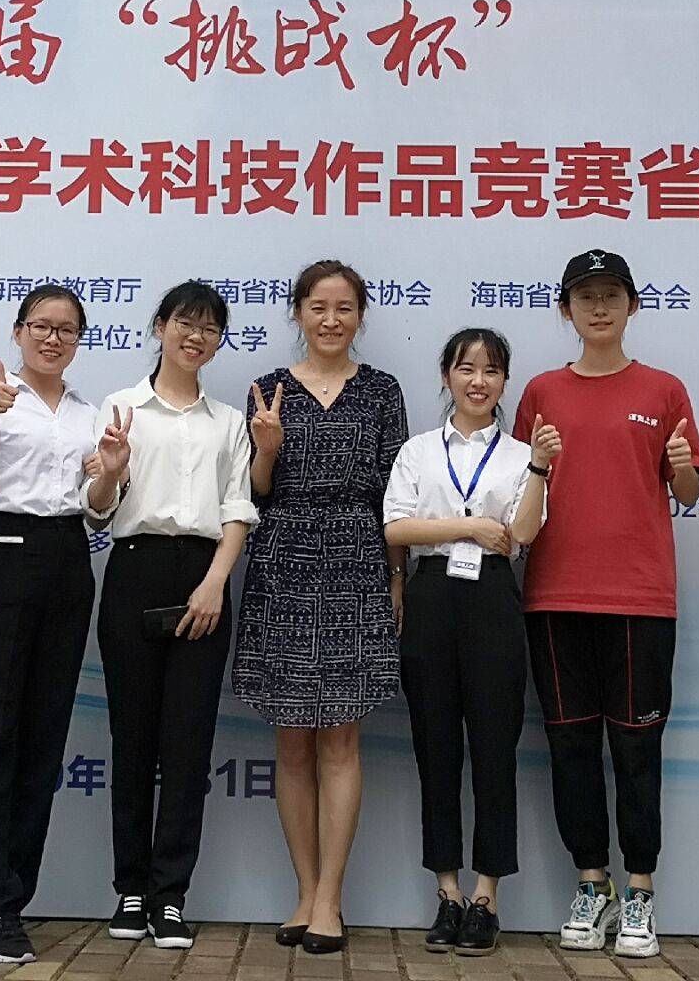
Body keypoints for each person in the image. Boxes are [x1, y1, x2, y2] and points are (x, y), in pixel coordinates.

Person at [512, 249, 699, 960]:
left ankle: (641, 890)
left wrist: (681, 470)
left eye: (612, 296)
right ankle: (592, 884)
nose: (600, 308)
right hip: (554, 594)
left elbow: (688, 493)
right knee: (569, 747)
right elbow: (519, 491)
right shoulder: (541, 391)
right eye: (586, 297)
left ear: (633, 306)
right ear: (566, 309)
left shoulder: (664, 390)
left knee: (636, 749)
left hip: (640, 598)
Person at [233, 259, 408, 955]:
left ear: (360, 316)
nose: (331, 320)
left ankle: (332, 896)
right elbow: (254, 492)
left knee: (340, 738)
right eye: (317, 307)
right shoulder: (269, 388)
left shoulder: (382, 391)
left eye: (344, 308)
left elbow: (395, 496)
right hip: (283, 559)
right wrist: (266, 450)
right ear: (298, 312)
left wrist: (396, 577)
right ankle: (303, 892)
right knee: (291, 741)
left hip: (358, 559)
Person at [0, 285, 130, 965]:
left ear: (79, 339)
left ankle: (16, 893)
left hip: (68, 557)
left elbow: (98, 509)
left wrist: (111, 472)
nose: (53, 338)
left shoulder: (91, 413)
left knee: (44, 731)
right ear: (19, 331)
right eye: (41, 326)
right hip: (5, 549)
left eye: (67, 330)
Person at [87, 282, 258, 951]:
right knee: (133, 741)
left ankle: (170, 896)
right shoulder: (122, 407)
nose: (196, 336)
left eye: (210, 328)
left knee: (188, 748)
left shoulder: (228, 421)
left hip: (205, 578)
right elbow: (98, 509)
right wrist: (110, 471)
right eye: (186, 322)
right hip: (134, 570)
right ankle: (130, 888)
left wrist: (215, 583)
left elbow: (238, 508)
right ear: (159, 326)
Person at [383, 327, 556, 957]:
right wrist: (473, 525)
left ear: (504, 382)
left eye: (491, 371)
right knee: (435, 750)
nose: (478, 381)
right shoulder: (418, 450)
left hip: (493, 597)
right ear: (447, 376)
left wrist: (540, 468)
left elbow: (526, 532)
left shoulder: (520, 454)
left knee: (494, 750)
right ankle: (447, 893)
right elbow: (396, 528)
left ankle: (486, 898)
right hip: (430, 595)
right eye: (466, 368)